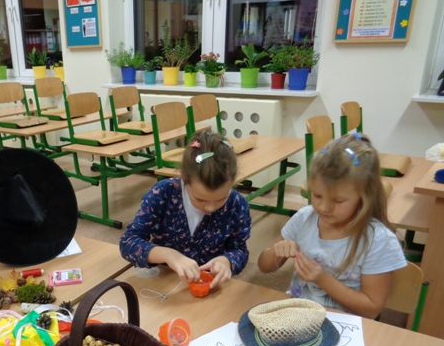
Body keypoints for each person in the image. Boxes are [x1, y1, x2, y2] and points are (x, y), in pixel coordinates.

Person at [257, 133, 406, 318]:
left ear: (364, 196)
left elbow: (371, 308)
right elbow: (264, 266)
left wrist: (322, 279)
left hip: (347, 323)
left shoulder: (378, 240)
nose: (324, 207)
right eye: (317, 195)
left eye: (338, 200)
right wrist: (276, 252)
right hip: (299, 314)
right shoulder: (304, 218)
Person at [120, 130, 251, 288]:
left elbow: (240, 250)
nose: (210, 208)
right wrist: (168, 255)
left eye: (220, 199)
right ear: (183, 177)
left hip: (208, 285)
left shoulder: (237, 204)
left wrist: (227, 261)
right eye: (200, 199)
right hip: (165, 282)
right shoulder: (163, 193)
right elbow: (128, 242)